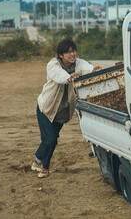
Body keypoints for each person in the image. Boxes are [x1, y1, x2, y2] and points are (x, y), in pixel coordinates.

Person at [31, 39, 101, 178]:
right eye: (68, 52)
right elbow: (58, 75)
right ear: (60, 55)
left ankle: (37, 161)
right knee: (50, 140)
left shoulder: (78, 63)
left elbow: (86, 67)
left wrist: (93, 70)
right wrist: (70, 77)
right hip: (46, 109)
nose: (72, 54)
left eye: (73, 51)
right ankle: (45, 167)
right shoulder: (53, 64)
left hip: (62, 112)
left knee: (51, 138)